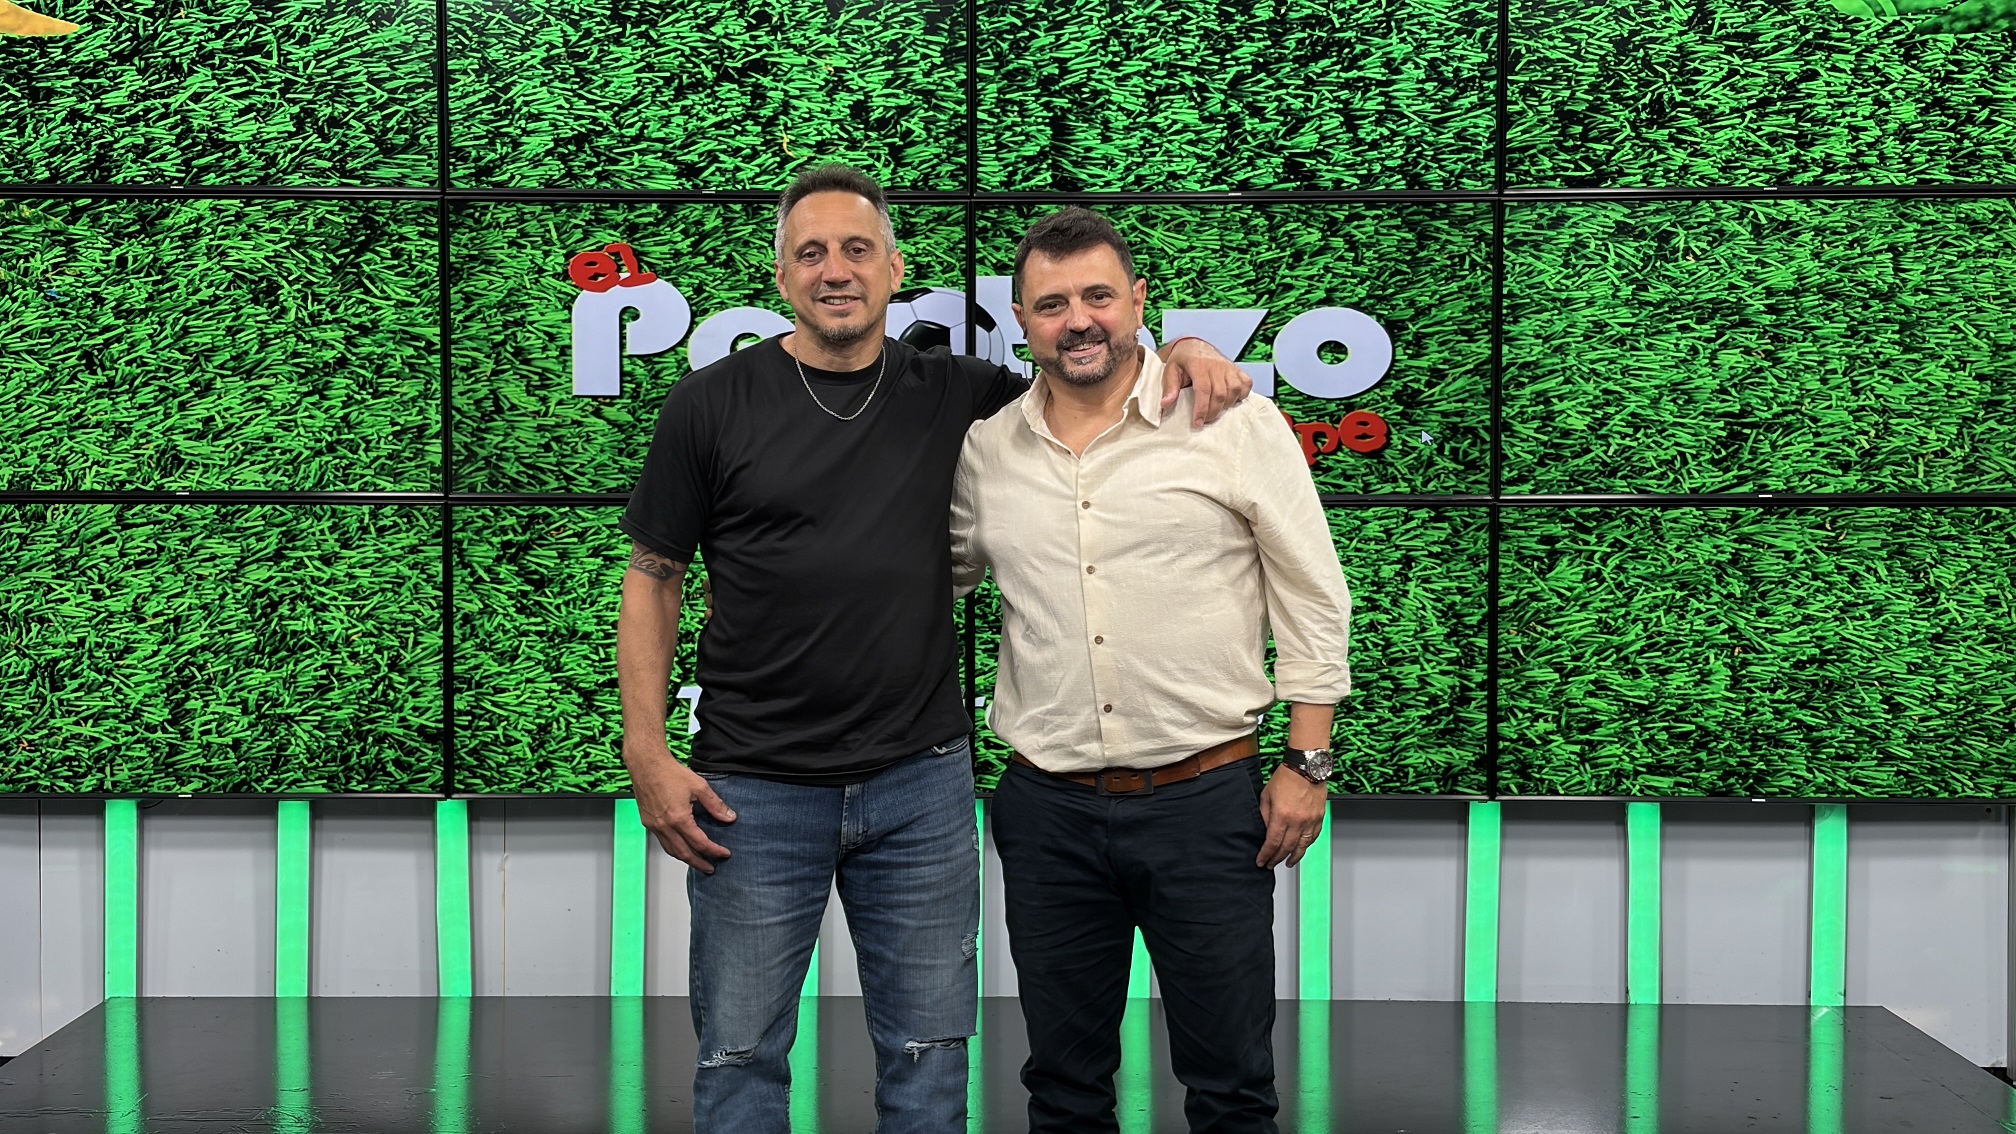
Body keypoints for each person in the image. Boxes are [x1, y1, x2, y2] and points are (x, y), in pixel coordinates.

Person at [614, 166, 1252, 1134]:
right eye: (811, 253)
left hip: (920, 787)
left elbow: (1088, 372)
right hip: (752, 790)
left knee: (929, 1061)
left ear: (895, 267)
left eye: (857, 249)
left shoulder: (963, 395)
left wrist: (1185, 350)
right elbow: (653, 577)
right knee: (738, 1057)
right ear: (781, 276)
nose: (836, 270)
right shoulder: (710, 405)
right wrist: (646, 750)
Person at [950, 206, 1352, 1134]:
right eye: (1052, 305)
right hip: (1046, 810)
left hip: (1205, 804)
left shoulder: (1231, 421)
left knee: (1231, 1086)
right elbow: (935, 582)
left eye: (1097, 296)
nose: (1078, 321)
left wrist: (1308, 763)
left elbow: (1312, 595)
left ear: (1138, 301)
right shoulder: (988, 449)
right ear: (1021, 320)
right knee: (1063, 1087)